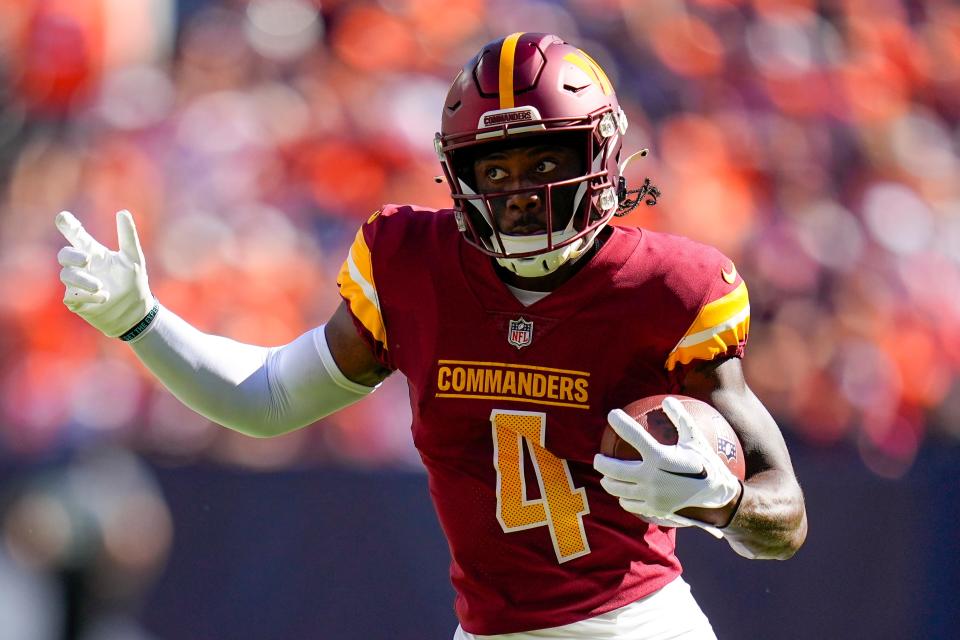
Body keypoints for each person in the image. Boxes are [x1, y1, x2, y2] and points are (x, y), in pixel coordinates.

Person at [56, 32, 807, 640]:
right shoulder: (411, 265)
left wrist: (724, 500)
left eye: (547, 160)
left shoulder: (671, 289)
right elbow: (271, 401)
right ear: (458, 174)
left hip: (639, 626)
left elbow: (786, 518)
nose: (522, 194)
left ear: (601, 157)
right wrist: (141, 322)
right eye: (498, 167)